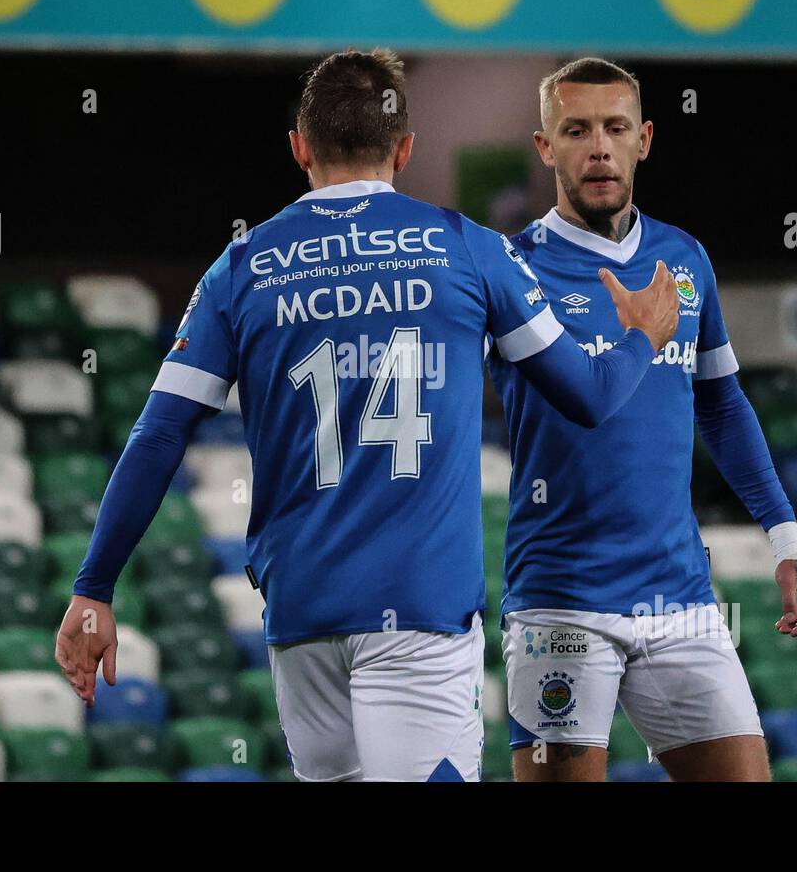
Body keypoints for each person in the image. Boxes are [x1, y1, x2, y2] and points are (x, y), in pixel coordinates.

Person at [55, 49, 679, 782]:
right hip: (419, 610)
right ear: (406, 149)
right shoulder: (469, 248)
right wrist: (643, 337)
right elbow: (591, 396)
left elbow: (158, 433)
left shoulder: (243, 264)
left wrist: (94, 586)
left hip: (303, 617)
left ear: (299, 146)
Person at [489, 58, 797, 782]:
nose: (599, 147)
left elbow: (723, 403)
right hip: (562, 601)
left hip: (681, 598)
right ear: (545, 147)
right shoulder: (510, 269)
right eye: (576, 130)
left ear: (644, 139)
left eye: (615, 128)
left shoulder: (684, 259)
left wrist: (784, 532)